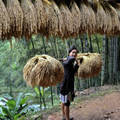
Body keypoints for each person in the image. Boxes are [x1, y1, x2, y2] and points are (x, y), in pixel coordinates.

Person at [60, 45, 79, 120]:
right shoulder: (67, 61)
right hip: (65, 86)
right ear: (69, 53)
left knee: (63, 101)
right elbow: (70, 60)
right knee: (66, 103)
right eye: (73, 52)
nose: (74, 54)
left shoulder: (69, 61)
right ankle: (67, 118)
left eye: (76, 53)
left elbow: (73, 72)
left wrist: (77, 65)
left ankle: (64, 116)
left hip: (67, 85)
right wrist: (74, 58)